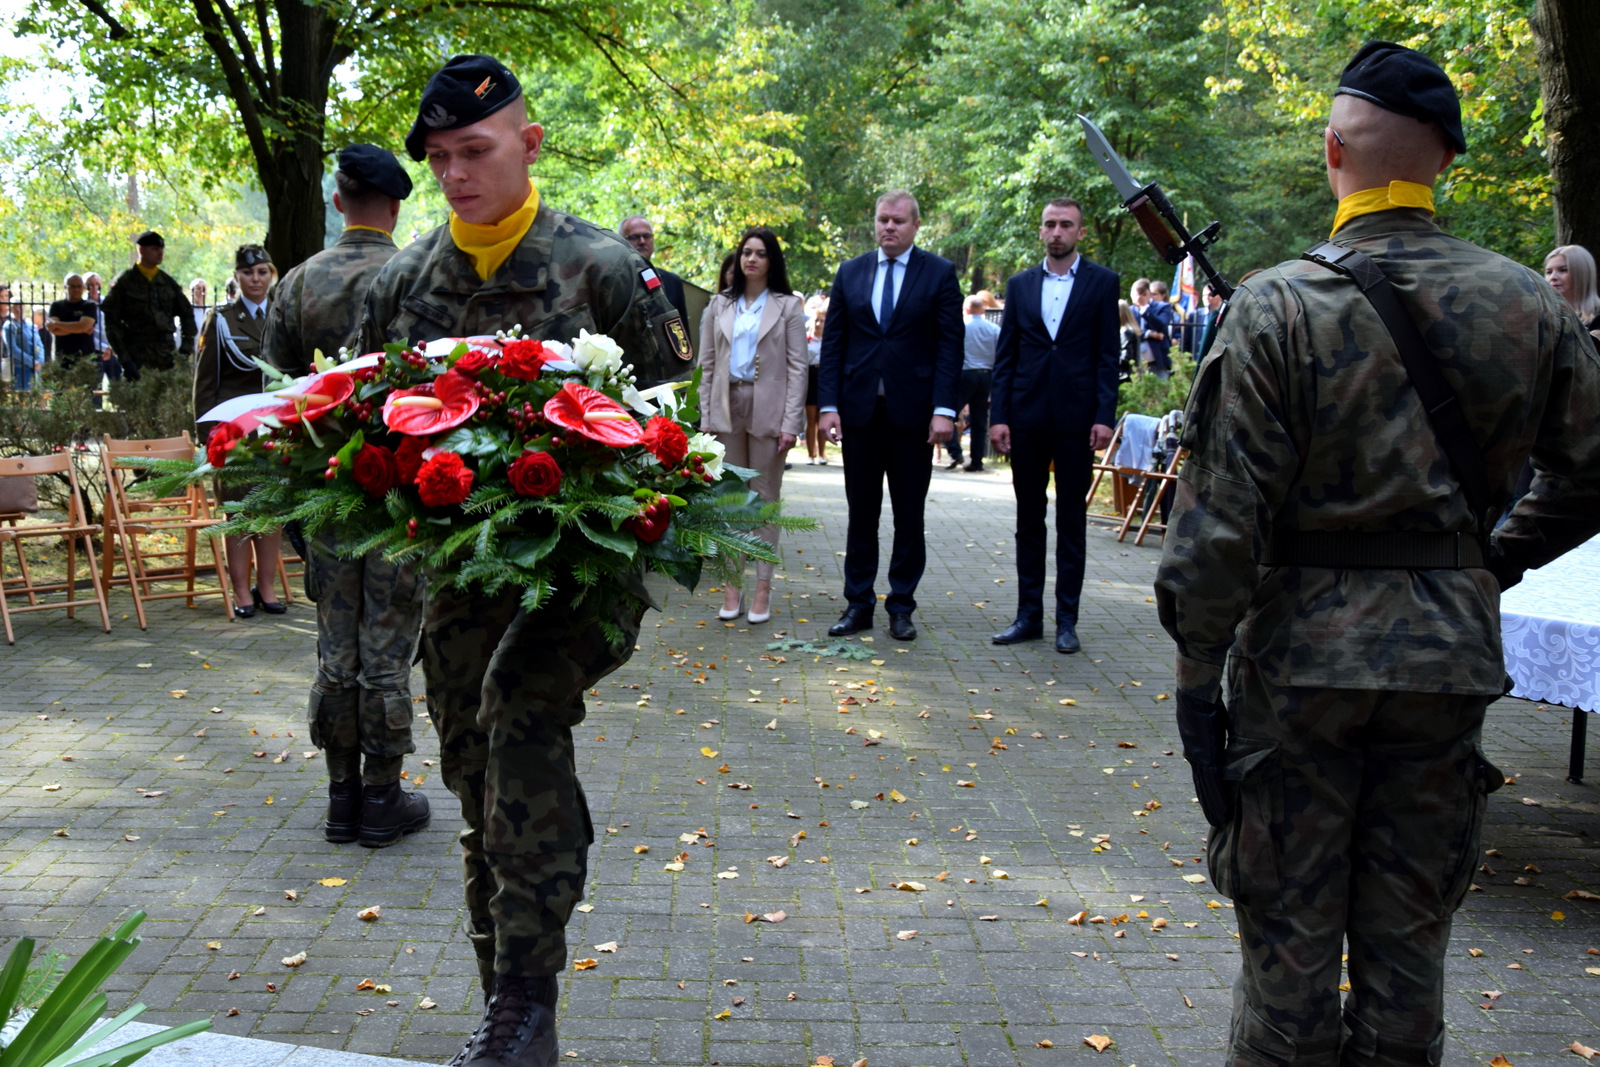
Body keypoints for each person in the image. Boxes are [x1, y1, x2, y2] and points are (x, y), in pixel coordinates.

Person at [1154, 42, 1600, 1066]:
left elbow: (1217, 530)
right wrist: (1489, 561)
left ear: (1331, 152)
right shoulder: (1523, 303)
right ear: (1441, 158)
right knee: (1407, 968)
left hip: (1300, 671)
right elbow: (1590, 465)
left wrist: (1193, 688)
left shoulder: (1273, 307)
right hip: (1444, 664)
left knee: (1287, 971)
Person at [359, 54, 687, 1067]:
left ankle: (528, 999)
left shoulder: (605, 272)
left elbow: (675, 430)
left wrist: (637, 520)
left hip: (584, 568)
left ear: (529, 144)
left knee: (519, 707)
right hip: (464, 570)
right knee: (475, 773)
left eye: (476, 150)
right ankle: (505, 1010)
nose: (456, 173)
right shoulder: (404, 282)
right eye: (442, 157)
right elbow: (372, 425)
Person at [262, 143, 428, 850]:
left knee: (336, 646)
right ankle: (382, 797)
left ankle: (340, 798)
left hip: (327, 491)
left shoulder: (297, 282)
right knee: (388, 645)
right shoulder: (417, 275)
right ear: (396, 206)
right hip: (399, 491)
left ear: (337, 202)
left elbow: (276, 391)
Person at [816, 189, 962, 642]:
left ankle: (902, 605)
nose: (889, 228)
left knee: (908, 515)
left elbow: (948, 347)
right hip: (859, 413)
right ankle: (858, 603)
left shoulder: (938, 273)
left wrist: (944, 409)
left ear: (916, 225)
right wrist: (827, 405)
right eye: (883, 220)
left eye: (898, 221)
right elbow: (834, 345)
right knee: (861, 513)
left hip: (915, 417)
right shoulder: (851, 272)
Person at [987, 197, 1119, 653]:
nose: (1057, 231)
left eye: (1066, 225)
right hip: (1025, 416)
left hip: (1078, 419)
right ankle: (1028, 616)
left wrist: (1105, 416)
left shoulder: (1103, 283)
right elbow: (1005, 358)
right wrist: (998, 416)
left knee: (1072, 521)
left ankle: (1067, 621)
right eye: (1050, 224)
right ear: (1040, 232)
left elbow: (1107, 357)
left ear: (1081, 232)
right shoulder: (1020, 286)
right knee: (1029, 520)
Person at [697, 226, 808, 624]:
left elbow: (798, 367)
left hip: (770, 410)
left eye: (761, 253)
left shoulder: (788, 306)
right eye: (746, 252)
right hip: (727, 406)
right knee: (730, 500)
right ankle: (732, 587)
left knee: (762, 501)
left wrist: (791, 421)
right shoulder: (719, 304)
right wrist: (705, 417)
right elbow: (706, 365)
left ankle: (762, 589)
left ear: (771, 261)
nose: (752, 259)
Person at [195, 244, 285, 620]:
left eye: (263, 272)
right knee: (238, 513)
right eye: (248, 273)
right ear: (236, 277)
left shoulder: (281, 316)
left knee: (273, 512)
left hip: (275, 431)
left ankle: (267, 587)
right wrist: (209, 436)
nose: (256, 280)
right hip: (234, 433)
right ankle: (239, 590)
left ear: (272, 275)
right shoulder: (221, 320)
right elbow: (206, 382)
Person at [101, 230, 196, 379]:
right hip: (137, 356)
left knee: (167, 400)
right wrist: (125, 359)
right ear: (141, 250)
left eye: (161, 249)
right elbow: (111, 322)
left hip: (166, 357)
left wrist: (185, 349)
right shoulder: (125, 282)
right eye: (155, 249)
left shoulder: (167, 282)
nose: (160, 253)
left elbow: (187, 314)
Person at [944, 293, 998, 471]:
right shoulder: (994, 329)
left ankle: (955, 451)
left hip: (965, 374)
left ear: (966, 309)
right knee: (979, 420)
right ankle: (977, 460)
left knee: (948, 414)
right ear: (982, 309)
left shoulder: (962, 327)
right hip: (986, 375)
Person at [619, 214, 691, 330]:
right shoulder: (615, 282)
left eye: (646, 236)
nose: (642, 241)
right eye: (634, 237)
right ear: (621, 241)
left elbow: (683, 330)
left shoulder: (671, 281)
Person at [46, 274, 99, 373]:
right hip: (62, 358)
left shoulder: (89, 306)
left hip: (85, 359)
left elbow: (84, 326)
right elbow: (54, 330)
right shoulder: (56, 306)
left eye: (79, 286)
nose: (76, 289)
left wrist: (58, 324)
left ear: (83, 287)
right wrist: (79, 328)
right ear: (65, 287)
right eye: (72, 286)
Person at [1543, 244, 1600, 335]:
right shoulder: (1542, 316)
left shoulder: (1597, 318)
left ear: (1582, 273)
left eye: (1563, 270)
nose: (1553, 277)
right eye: (1549, 272)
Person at [803, 297, 829, 465]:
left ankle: (822, 454)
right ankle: (810, 455)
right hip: (810, 377)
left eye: (822, 321)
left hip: (824, 377)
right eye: (816, 320)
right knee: (810, 418)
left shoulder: (829, 341)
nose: (819, 324)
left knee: (822, 418)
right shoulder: (806, 340)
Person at [2, 299, 45, 390]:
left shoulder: (30, 324)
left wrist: (40, 360)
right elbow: (13, 349)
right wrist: (31, 362)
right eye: (15, 308)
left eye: (20, 308)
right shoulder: (9, 326)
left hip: (36, 369)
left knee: (38, 396)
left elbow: (39, 344)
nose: (18, 311)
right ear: (11, 309)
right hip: (20, 369)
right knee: (23, 398)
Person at [1142, 279, 1176, 377]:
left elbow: (1162, 325)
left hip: (1159, 359)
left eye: (1154, 294)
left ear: (1163, 295)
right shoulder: (1138, 307)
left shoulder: (1164, 307)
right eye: (1150, 294)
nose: (1151, 297)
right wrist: (1149, 334)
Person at [1180, 282, 1223, 355]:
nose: (1206, 297)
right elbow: (1185, 341)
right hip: (1196, 357)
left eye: (1210, 295)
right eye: (1204, 295)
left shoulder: (1224, 314)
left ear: (1219, 296)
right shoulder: (1194, 315)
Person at [1117, 300, 1141, 380]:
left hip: (1125, 375)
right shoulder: (1130, 330)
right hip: (1131, 374)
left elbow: (1126, 356)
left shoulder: (1125, 332)